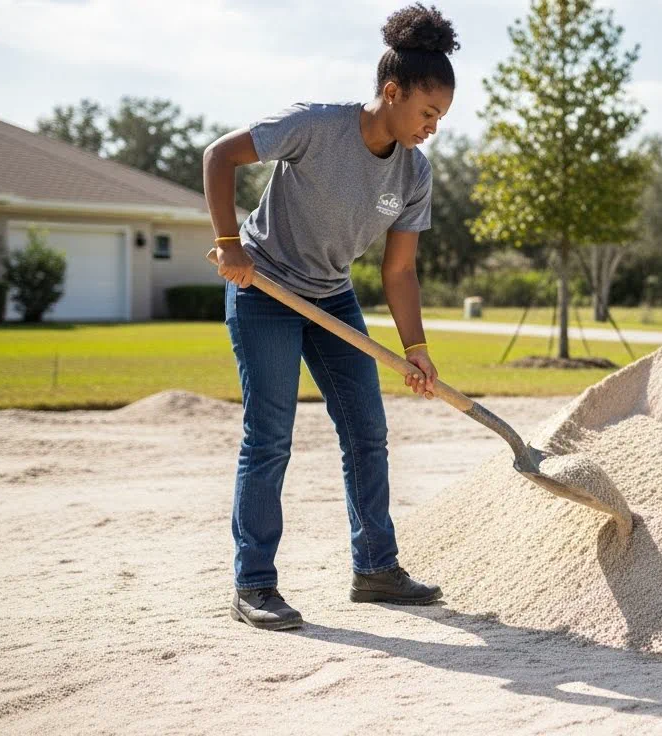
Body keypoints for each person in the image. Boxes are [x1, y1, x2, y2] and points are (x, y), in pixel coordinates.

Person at [202, 3, 457, 631]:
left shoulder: (414, 172)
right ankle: (254, 583)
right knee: (271, 435)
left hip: (331, 297)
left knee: (367, 431)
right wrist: (230, 243)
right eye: (427, 113)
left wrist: (417, 346)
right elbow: (219, 156)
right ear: (392, 93)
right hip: (263, 287)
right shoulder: (314, 126)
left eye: (441, 118)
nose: (432, 128)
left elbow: (398, 271)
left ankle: (375, 568)